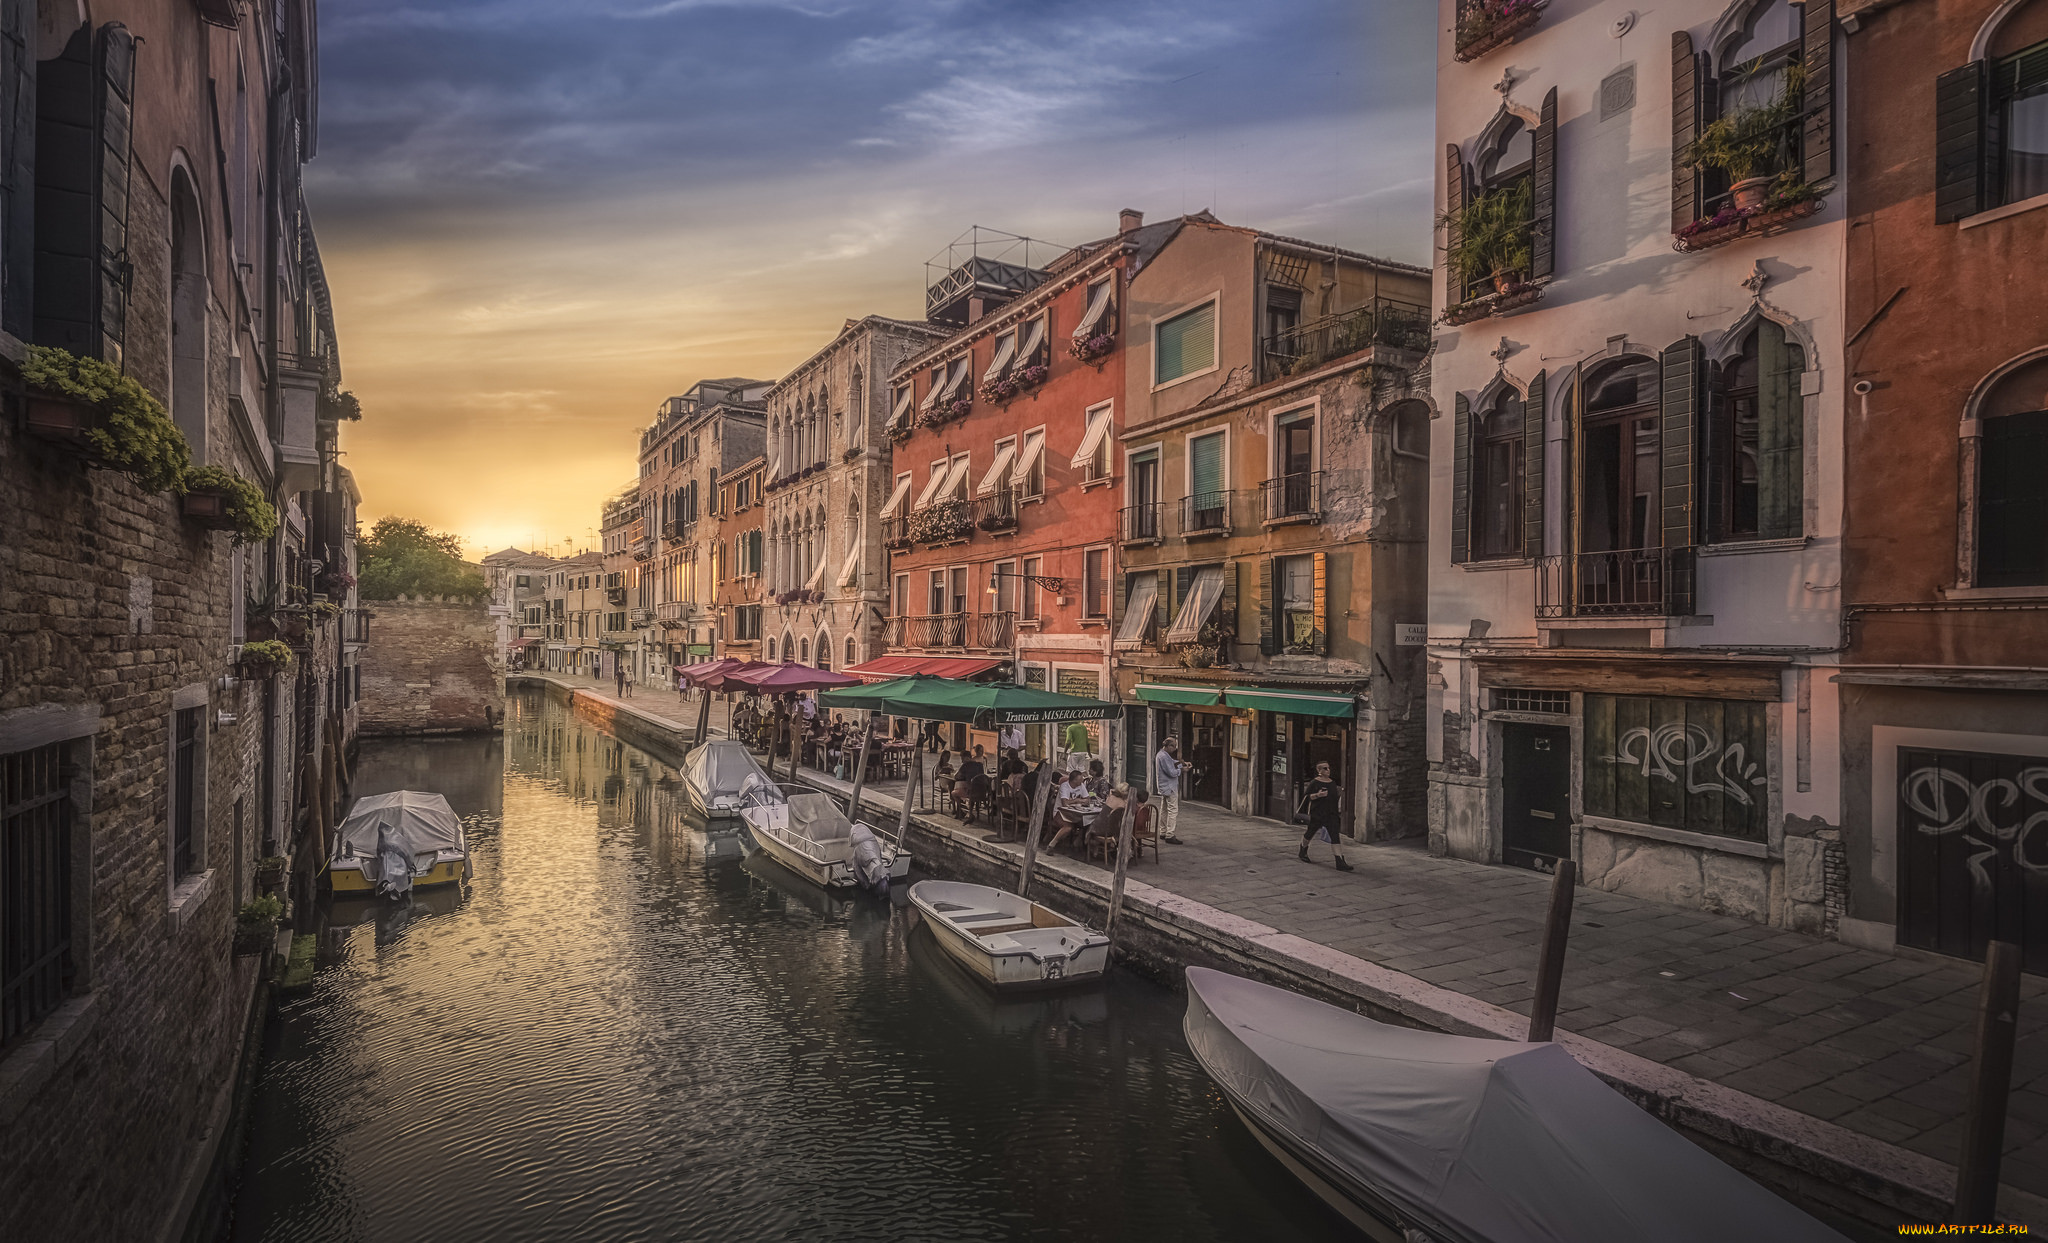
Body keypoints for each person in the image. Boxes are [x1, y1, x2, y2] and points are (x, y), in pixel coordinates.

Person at [1298, 761, 1352, 871]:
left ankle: (1339, 861)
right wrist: (1318, 795)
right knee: (1310, 832)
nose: (1328, 770)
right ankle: (1303, 849)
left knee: (1335, 836)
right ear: (1319, 771)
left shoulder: (1332, 783)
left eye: (1328, 768)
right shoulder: (1314, 783)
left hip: (1331, 814)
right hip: (1318, 813)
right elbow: (1307, 797)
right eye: (1325, 768)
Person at [1154, 736, 1189, 844]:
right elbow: (1171, 772)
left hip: (1164, 786)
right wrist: (1182, 770)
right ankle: (1170, 834)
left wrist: (1181, 763)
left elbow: (1172, 763)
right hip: (1169, 786)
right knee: (1173, 810)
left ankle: (1163, 831)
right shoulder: (1163, 756)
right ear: (1168, 746)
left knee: (1164, 809)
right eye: (1173, 746)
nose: (1175, 749)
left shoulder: (1163, 755)